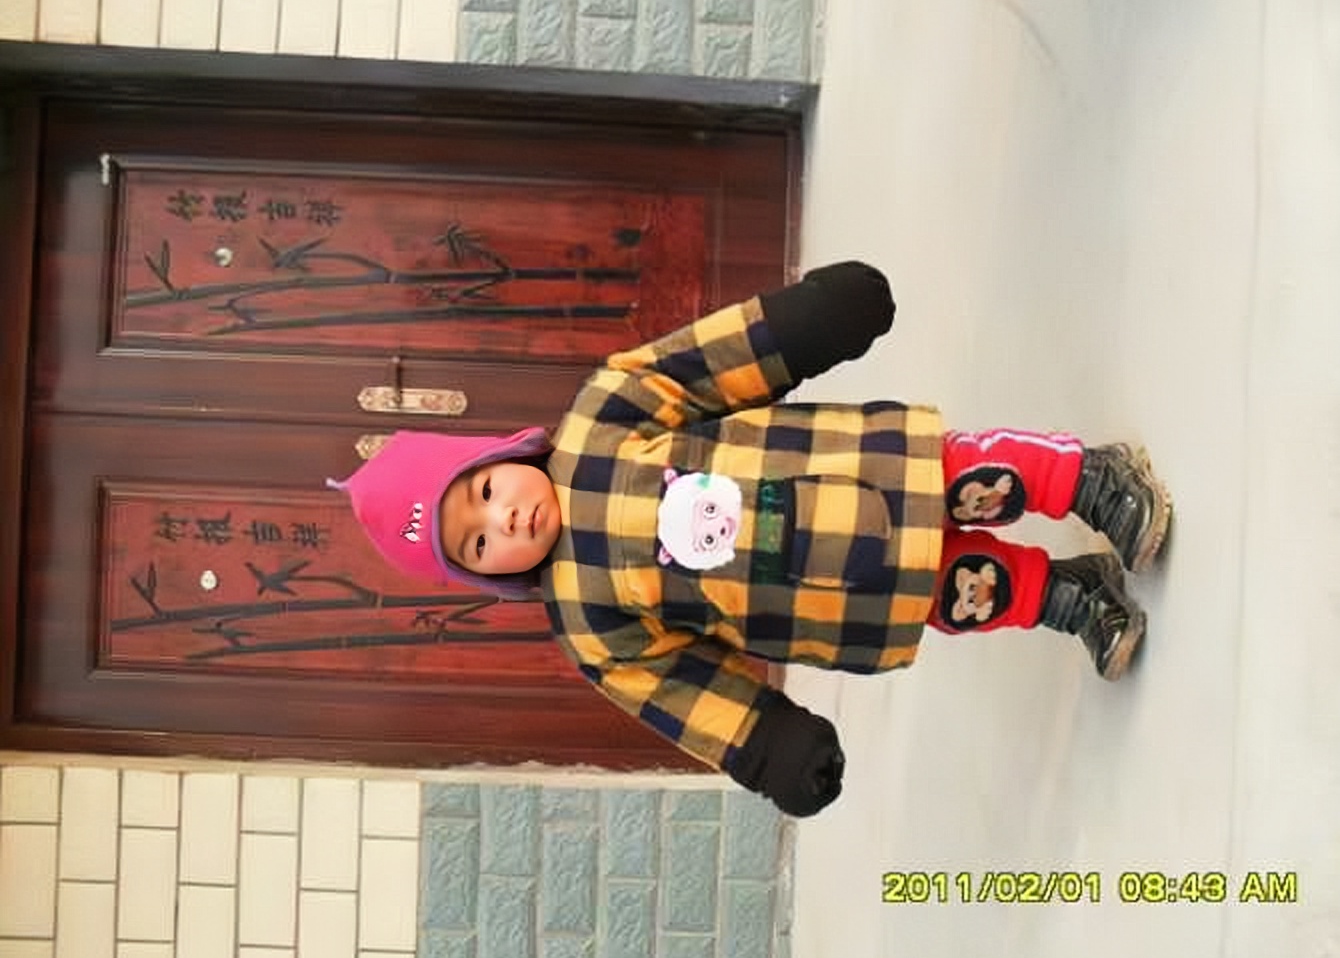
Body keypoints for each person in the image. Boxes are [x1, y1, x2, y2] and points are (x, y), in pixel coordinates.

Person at [331, 262, 1171, 817]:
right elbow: (681, 691)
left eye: (483, 494)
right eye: (477, 545)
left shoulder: (600, 417)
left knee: (981, 481)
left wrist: (804, 325)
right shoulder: (588, 626)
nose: (503, 520)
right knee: (964, 593)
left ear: (495, 458)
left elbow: (701, 363)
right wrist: (767, 746)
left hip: (849, 467)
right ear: (486, 579)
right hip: (838, 602)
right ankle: (1070, 594)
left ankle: (1091, 479)